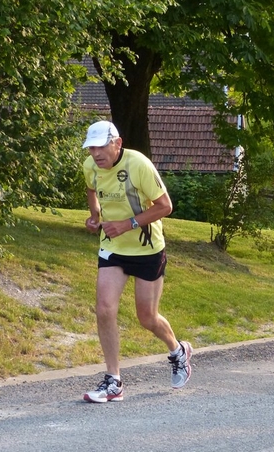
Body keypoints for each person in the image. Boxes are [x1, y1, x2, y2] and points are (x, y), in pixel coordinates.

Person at [81, 120, 192, 403]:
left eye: (101, 147)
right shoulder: (91, 167)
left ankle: (177, 350)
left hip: (147, 249)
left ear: (117, 143)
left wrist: (127, 224)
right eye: (91, 148)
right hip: (113, 247)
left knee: (147, 318)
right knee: (105, 309)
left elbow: (165, 206)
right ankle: (113, 380)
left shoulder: (138, 164)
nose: (96, 154)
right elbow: (91, 189)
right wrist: (95, 216)